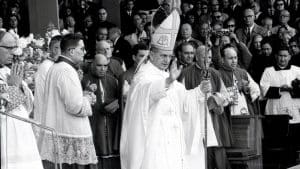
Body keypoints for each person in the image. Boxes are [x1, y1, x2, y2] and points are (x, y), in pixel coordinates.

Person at [120, 10, 218, 169]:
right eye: (162, 56)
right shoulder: (143, 75)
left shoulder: (165, 73)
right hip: (154, 138)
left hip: (173, 137)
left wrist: (200, 90)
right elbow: (148, 92)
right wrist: (168, 81)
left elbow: (184, 98)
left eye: (169, 56)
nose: (166, 60)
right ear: (151, 54)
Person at [37, 34, 98, 169]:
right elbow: (75, 107)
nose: (85, 52)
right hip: (71, 133)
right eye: (81, 49)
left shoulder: (56, 67)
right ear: (71, 51)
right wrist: (87, 99)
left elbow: (66, 98)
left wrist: (83, 95)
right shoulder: (66, 70)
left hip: (63, 130)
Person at [179, 45, 232, 169]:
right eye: (204, 57)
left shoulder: (214, 73)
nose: (207, 61)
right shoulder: (186, 73)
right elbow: (181, 98)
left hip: (214, 121)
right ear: (196, 57)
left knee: (216, 157)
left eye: (209, 57)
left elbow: (226, 96)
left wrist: (215, 98)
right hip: (194, 120)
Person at [0, 31, 43, 169]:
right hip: (6, 135)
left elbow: (29, 105)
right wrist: (14, 86)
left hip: (23, 132)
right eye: (9, 48)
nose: (14, 52)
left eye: (14, 47)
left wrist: (21, 87)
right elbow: (3, 109)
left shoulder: (8, 71)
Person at [82, 54, 121, 169]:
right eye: (99, 65)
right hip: (93, 122)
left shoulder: (113, 80)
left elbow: (118, 100)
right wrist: (87, 91)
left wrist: (113, 105)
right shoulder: (85, 79)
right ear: (93, 64)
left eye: (105, 66)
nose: (103, 68)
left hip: (110, 122)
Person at [218, 44, 260, 116]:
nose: (234, 61)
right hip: (227, 112)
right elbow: (218, 95)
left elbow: (256, 90)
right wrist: (234, 90)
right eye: (230, 58)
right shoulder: (218, 74)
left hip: (243, 108)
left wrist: (247, 89)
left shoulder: (243, 72)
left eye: (235, 58)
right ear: (222, 59)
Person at [34, 35, 61, 123]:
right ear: (49, 49)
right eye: (56, 48)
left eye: (61, 48)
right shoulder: (46, 66)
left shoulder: (58, 65)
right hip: (46, 114)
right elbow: (43, 94)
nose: (59, 51)